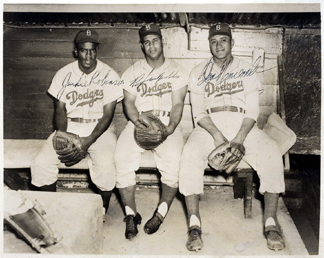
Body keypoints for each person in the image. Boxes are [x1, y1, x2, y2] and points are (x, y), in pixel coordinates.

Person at [179, 23, 285, 252]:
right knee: (189, 154)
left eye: (223, 40)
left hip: (242, 124)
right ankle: (194, 225)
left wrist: (238, 138)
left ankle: (270, 223)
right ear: (209, 44)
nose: (219, 45)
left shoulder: (247, 69)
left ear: (232, 43)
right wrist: (217, 135)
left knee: (271, 152)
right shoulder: (198, 71)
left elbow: (252, 112)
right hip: (209, 126)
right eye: (214, 41)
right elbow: (198, 113)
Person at [30, 29, 123, 215]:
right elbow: (60, 110)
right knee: (41, 163)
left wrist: (87, 141)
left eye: (92, 50)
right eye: (83, 50)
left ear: (97, 50)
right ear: (76, 51)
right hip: (70, 125)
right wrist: (63, 135)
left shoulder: (110, 75)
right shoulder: (63, 74)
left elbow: (107, 115)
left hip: (100, 128)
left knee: (106, 168)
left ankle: (101, 210)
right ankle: (53, 207)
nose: (88, 55)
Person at [114, 24, 188, 240]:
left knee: (174, 160)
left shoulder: (177, 71)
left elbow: (177, 105)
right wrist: (138, 122)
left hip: (167, 121)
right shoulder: (133, 71)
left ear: (162, 42)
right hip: (140, 121)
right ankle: (130, 215)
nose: (151, 45)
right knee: (121, 157)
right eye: (147, 42)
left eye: (155, 40)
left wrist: (170, 128)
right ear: (142, 46)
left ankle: (161, 212)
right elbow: (129, 103)